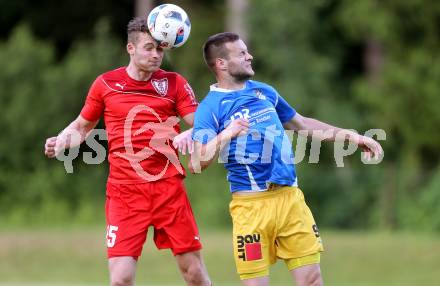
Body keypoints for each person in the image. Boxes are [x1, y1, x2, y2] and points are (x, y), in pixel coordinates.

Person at [190, 32, 383, 286]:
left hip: (291, 200)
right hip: (251, 208)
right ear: (221, 64)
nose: (250, 56)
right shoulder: (210, 107)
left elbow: (302, 124)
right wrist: (227, 134)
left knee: (312, 280)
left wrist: (353, 137)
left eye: (247, 51)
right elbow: (196, 162)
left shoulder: (265, 92)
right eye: (241, 53)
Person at [44, 17, 212, 286]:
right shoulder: (106, 84)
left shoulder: (174, 83)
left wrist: (191, 132)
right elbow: (82, 126)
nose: (156, 54)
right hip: (124, 194)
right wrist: (61, 140)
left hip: (168, 190)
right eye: (149, 47)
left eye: (160, 48)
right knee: (120, 279)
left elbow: (202, 123)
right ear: (130, 49)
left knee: (194, 275)